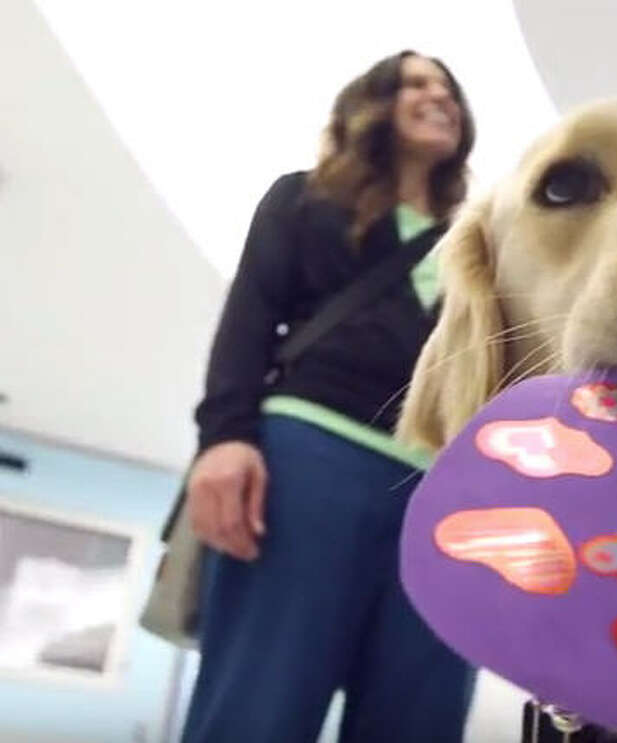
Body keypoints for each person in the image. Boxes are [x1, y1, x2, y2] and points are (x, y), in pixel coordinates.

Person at [180, 50, 476, 743]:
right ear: (371, 105)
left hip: (444, 493)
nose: (438, 96)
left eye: (447, 88)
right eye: (414, 83)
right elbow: (248, 322)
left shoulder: (479, 243)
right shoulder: (303, 201)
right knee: (260, 706)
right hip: (310, 460)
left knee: (421, 721)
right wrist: (224, 439)